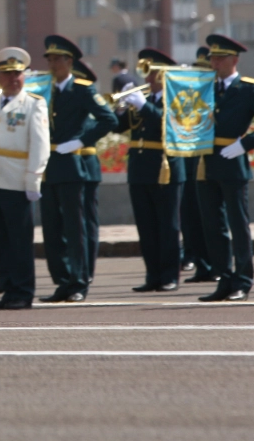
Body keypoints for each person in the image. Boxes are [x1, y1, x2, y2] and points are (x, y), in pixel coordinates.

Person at [197, 34, 254, 302]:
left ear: (234, 60)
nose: (215, 62)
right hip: (206, 161)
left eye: (220, 58)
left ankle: (242, 281)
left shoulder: (249, 88)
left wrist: (244, 144)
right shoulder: (203, 87)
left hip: (233, 160)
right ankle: (223, 278)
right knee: (213, 226)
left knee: (238, 224)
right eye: (212, 57)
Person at [38, 35, 118, 303]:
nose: (52, 64)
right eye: (49, 59)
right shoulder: (43, 91)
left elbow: (109, 119)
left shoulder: (82, 89)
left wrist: (80, 141)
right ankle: (61, 281)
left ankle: (79, 282)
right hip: (48, 166)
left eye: (57, 59)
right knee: (51, 228)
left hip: (72, 167)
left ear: (69, 62)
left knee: (75, 228)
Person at [0, 47, 49, 309]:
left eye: (18, 74)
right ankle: (8, 286)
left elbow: (40, 145)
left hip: (17, 179)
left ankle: (23, 291)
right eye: (8, 74)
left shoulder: (34, 103)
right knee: (0, 239)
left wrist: (33, 179)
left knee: (19, 241)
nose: (14, 78)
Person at [115, 49, 184, 292]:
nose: (148, 76)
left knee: (167, 225)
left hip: (165, 167)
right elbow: (119, 127)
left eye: (153, 71)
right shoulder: (140, 99)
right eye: (146, 70)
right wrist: (121, 109)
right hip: (140, 167)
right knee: (146, 226)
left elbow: (173, 125)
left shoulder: (178, 97)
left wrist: (144, 107)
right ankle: (152, 275)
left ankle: (169, 276)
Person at [181, 46, 217, 284]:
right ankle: (201, 264)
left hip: (210, 159)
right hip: (190, 159)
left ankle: (214, 265)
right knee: (191, 215)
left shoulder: (217, 95)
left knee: (210, 216)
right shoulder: (191, 97)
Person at [71, 60, 106, 282]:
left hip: (85, 164)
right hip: (70, 166)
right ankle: (77, 267)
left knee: (87, 221)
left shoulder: (87, 99)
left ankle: (88, 268)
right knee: (74, 222)